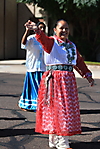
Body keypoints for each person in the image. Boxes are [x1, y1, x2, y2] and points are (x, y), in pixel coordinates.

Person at [25, 19, 94, 149]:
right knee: (59, 110)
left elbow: (78, 62)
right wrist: (36, 29)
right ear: (55, 30)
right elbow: (42, 39)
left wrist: (87, 75)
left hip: (68, 82)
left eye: (66, 28)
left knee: (62, 110)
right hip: (55, 80)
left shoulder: (72, 46)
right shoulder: (51, 42)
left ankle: (54, 139)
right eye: (61, 28)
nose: (64, 31)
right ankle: (62, 142)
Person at [18, 21, 46, 112]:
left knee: (41, 88)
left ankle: (40, 105)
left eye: (43, 28)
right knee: (32, 87)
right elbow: (23, 44)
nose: (41, 29)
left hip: (42, 67)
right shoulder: (31, 38)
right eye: (40, 27)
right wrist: (27, 31)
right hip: (32, 67)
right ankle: (28, 104)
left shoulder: (46, 40)